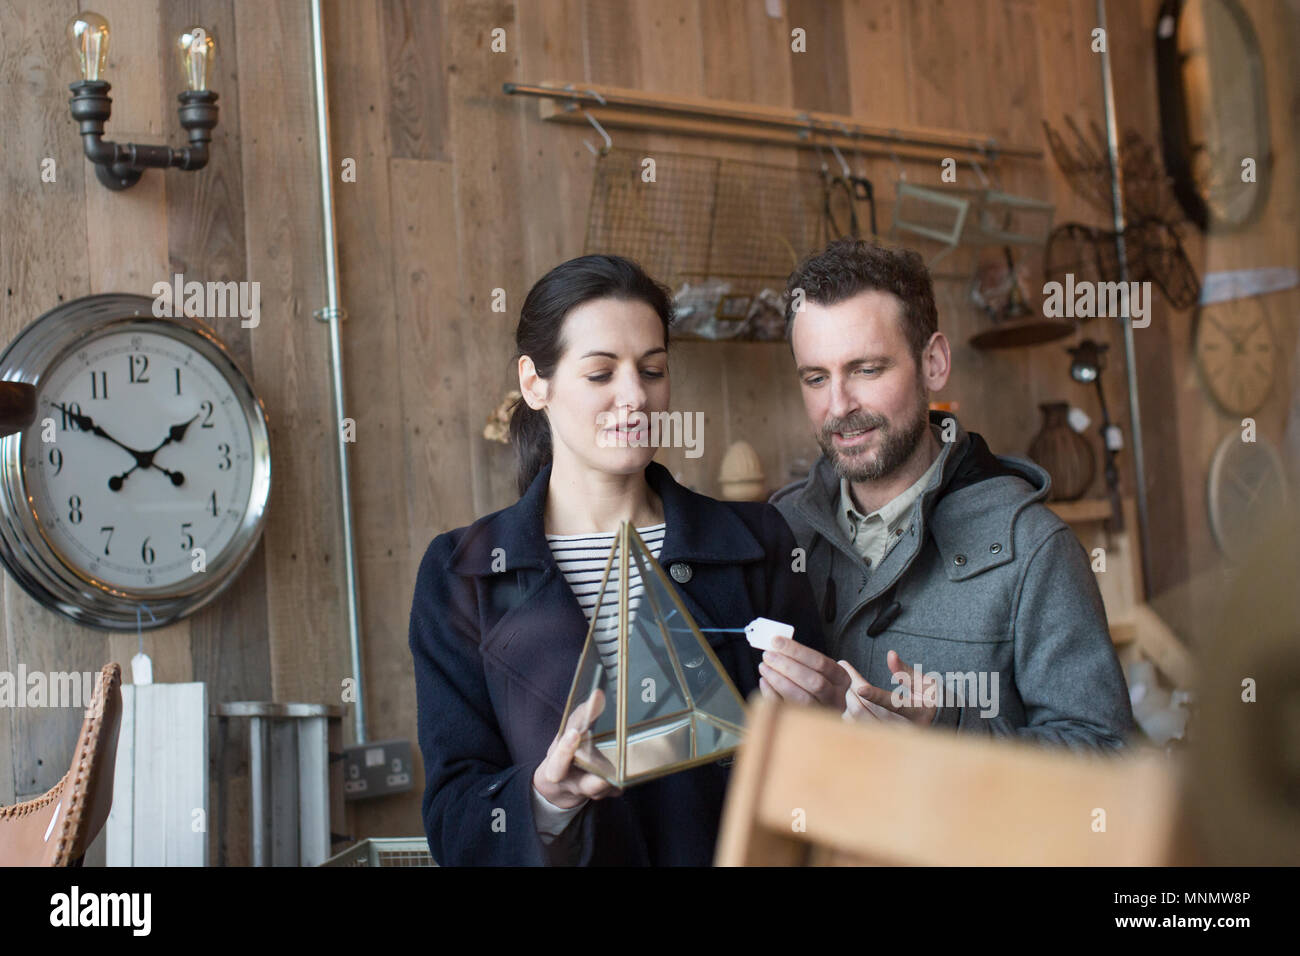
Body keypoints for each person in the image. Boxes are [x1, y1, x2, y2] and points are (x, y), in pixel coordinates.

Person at [408, 254, 843, 866]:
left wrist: (826, 718)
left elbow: (816, 785)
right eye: (600, 373)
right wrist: (546, 801)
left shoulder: (757, 541)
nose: (635, 396)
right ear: (535, 383)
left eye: (653, 369)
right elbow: (456, 821)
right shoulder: (462, 574)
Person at [767, 237, 1135, 750]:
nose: (838, 406)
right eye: (815, 377)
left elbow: (1111, 757)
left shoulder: (1033, 549)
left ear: (934, 363)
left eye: (866, 369)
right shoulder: (778, 533)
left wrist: (947, 737)